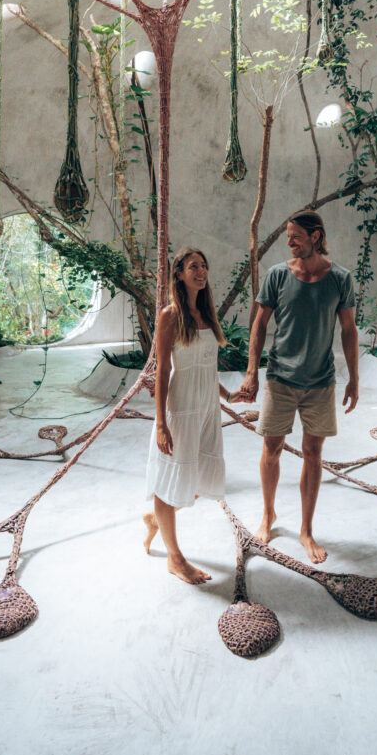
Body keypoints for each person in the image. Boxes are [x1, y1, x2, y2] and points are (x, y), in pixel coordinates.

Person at [232, 210, 359, 564]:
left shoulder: (340, 279)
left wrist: (355, 379)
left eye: (295, 236)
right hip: (280, 378)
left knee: (313, 453)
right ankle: (268, 515)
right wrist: (251, 373)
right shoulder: (276, 276)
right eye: (288, 236)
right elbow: (259, 325)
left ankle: (305, 529)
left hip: (320, 381)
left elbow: (349, 330)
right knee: (271, 449)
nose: (289, 241)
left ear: (315, 236)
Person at [144, 247, 232, 584]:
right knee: (171, 484)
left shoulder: (207, 315)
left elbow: (207, 367)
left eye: (204, 265)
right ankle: (175, 558)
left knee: (197, 482)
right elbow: (164, 370)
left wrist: (227, 395)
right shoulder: (169, 315)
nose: (201, 271)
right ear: (179, 274)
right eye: (193, 266)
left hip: (208, 408)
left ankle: (155, 520)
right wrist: (161, 423)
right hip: (180, 409)